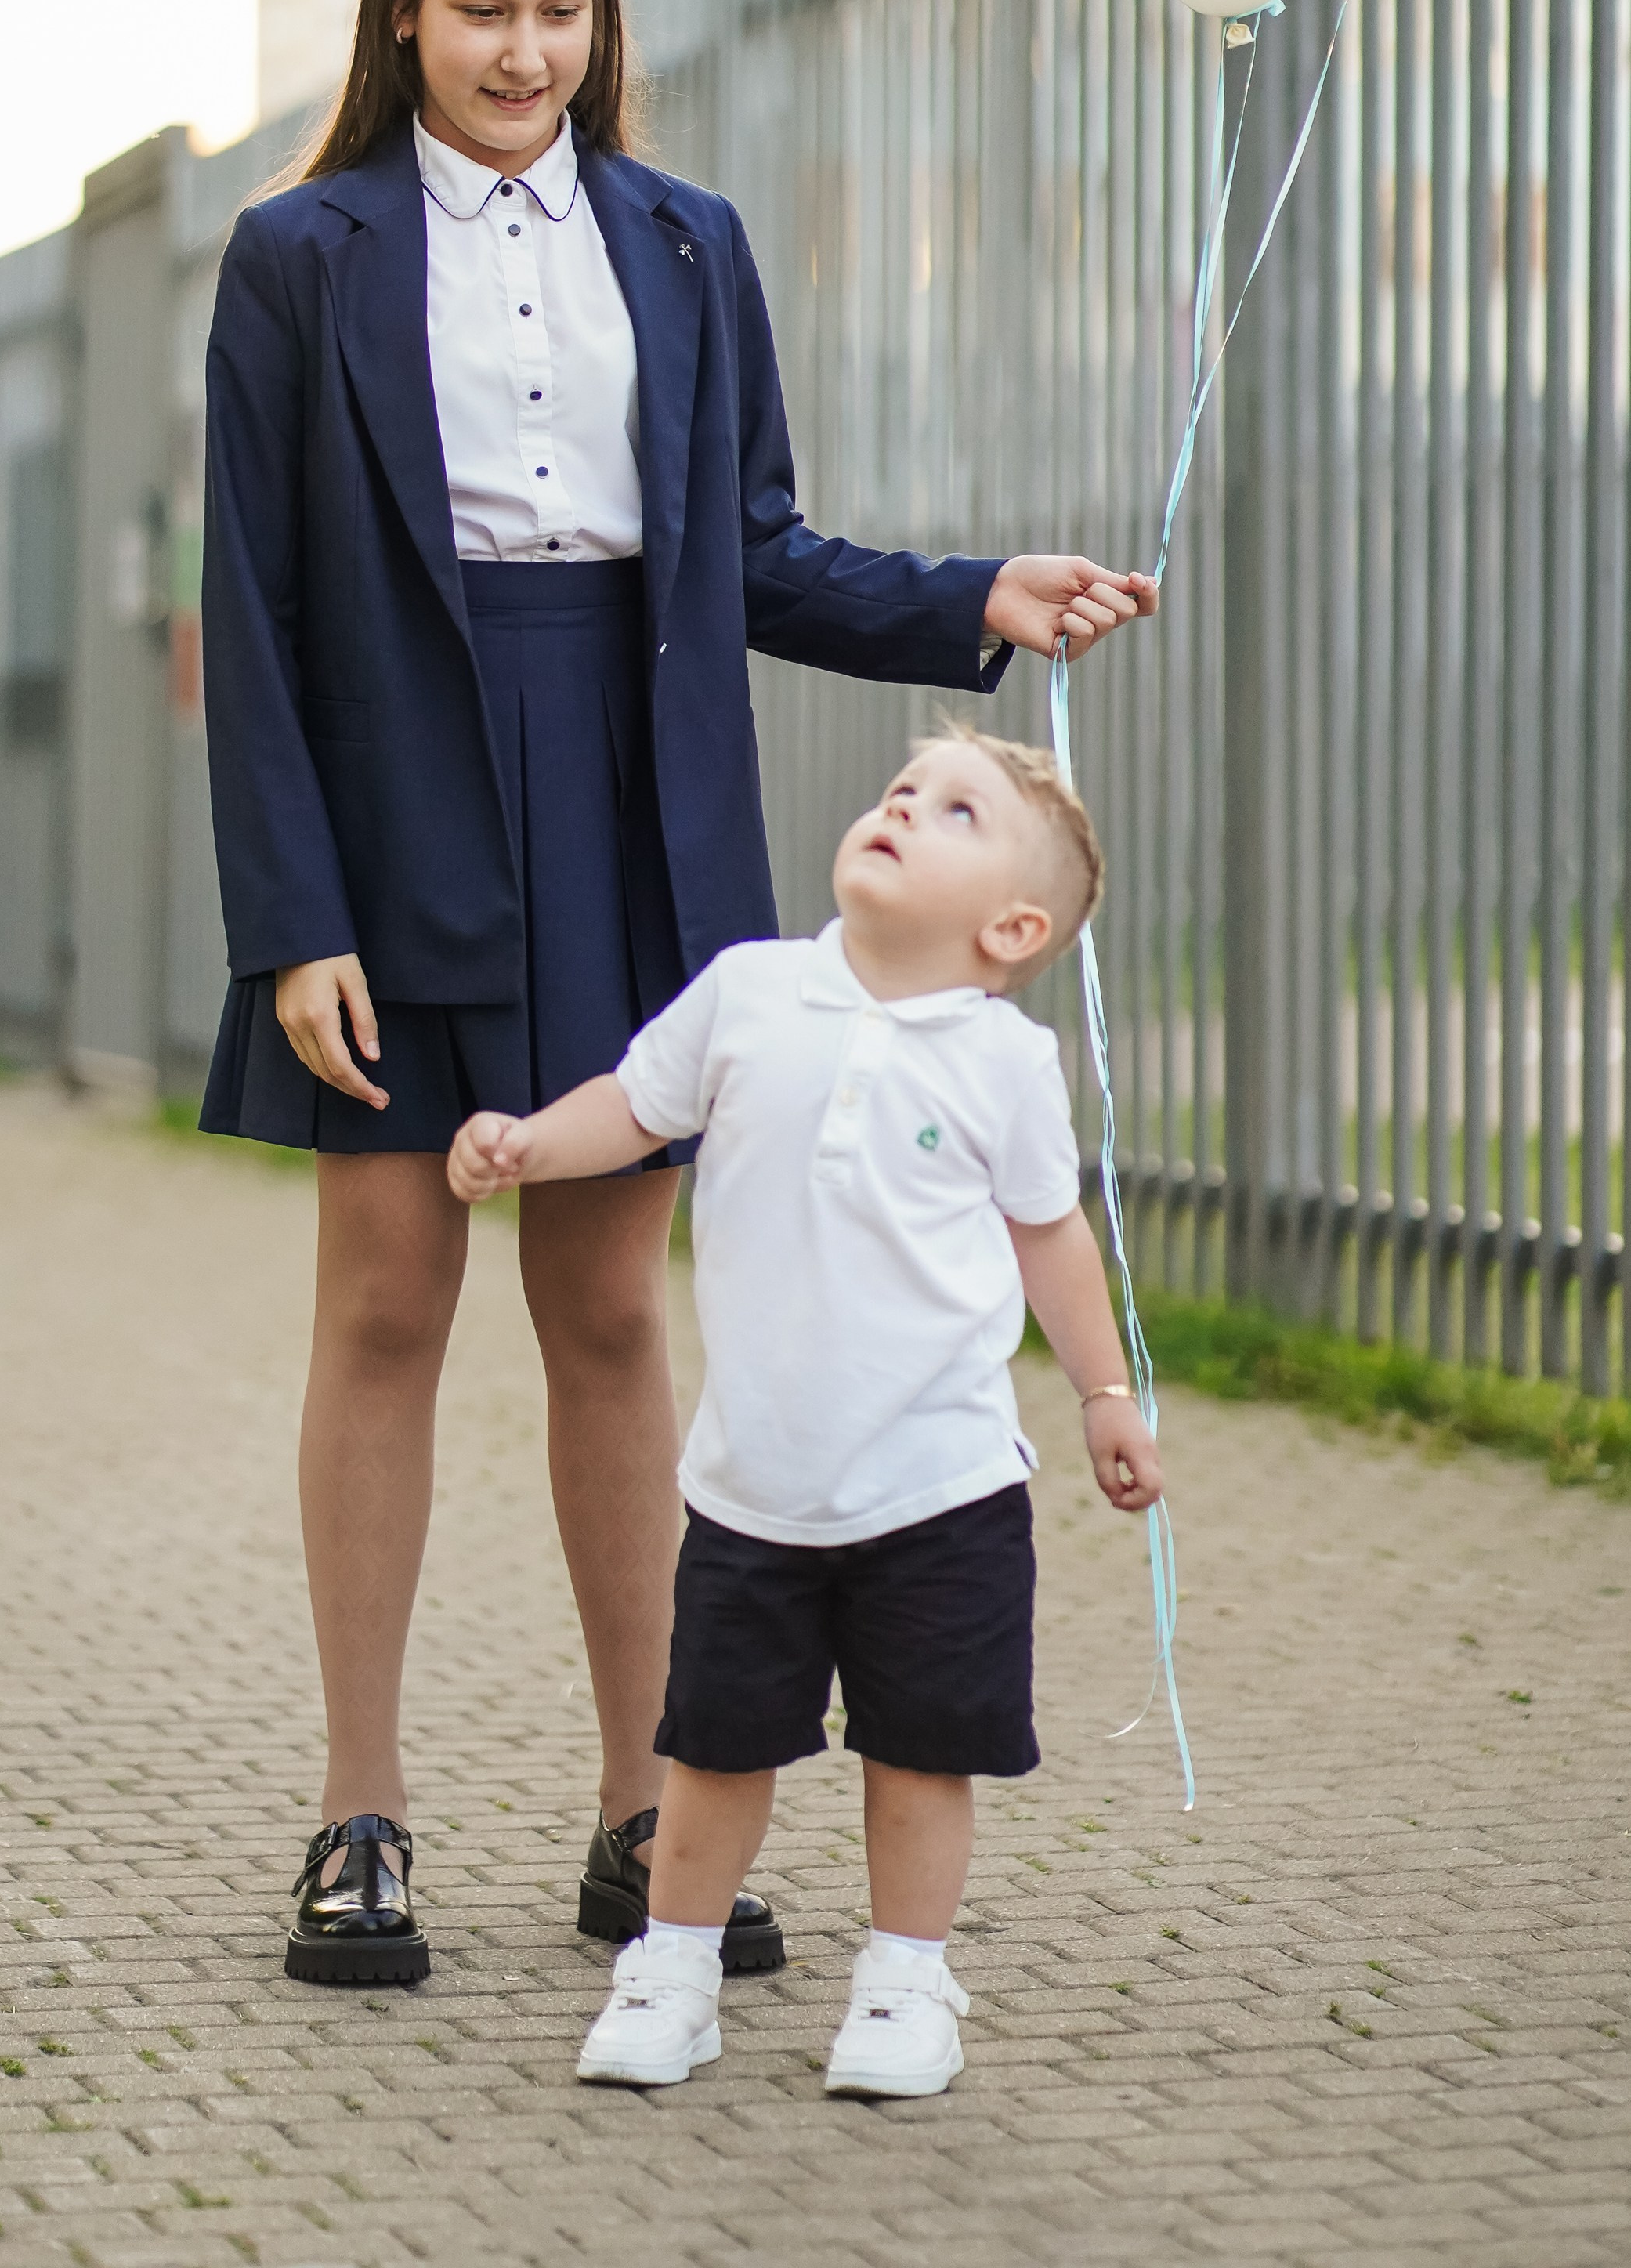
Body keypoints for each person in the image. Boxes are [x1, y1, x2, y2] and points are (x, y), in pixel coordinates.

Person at [199, 0, 1157, 1987]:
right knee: (378, 1305)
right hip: (392, 797)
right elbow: (249, 612)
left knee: (617, 1312)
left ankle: (649, 1817)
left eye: (559, 13)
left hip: (633, 802)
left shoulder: (693, 244)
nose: (522, 53)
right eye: (479, 14)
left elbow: (753, 546)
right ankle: (363, 1812)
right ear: (404, 14)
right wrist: (291, 914)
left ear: (599, 16)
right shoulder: (298, 254)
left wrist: (968, 597)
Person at [447, 725, 1166, 2096]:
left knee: (919, 1754)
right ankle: (673, 1963)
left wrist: (1106, 1390)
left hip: (941, 1492)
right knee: (711, 1749)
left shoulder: (1002, 1060)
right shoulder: (750, 992)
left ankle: (904, 1982)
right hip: (750, 1490)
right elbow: (634, 1102)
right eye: (903, 787)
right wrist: (535, 1143)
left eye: (954, 809)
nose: (903, 802)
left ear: (1012, 925)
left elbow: (1052, 1237)